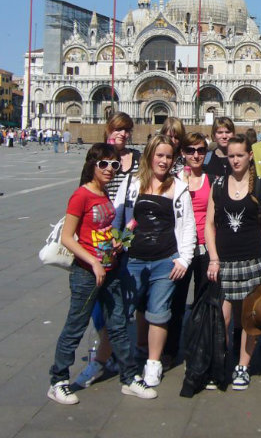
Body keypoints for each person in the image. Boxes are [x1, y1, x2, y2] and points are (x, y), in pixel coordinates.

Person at [48, 143, 157, 405]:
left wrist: (118, 241)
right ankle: (58, 381)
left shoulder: (104, 193)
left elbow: (102, 230)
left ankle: (129, 378)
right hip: (87, 273)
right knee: (75, 326)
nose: (110, 169)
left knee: (118, 324)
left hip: (110, 269)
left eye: (114, 165)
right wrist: (93, 262)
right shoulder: (81, 195)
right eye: (103, 164)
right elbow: (67, 237)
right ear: (92, 165)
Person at [114, 135, 196, 387]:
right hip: (133, 259)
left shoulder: (178, 186)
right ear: (150, 155)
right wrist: (116, 242)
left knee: (159, 313)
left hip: (166, 260)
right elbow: (118, 215)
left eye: (168, 156)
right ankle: (120, 358)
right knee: (125, 311)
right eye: (159, 155)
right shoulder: (131, 182)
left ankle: (153, 363)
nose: (163, 161)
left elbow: (188, 226)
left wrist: (184, 259)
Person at [75, 111, 141, 388]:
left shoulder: (137, 159)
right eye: (118, 129)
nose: (122, 134)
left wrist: (125, 238)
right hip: (98, 237)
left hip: (127, 238)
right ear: (107, 130)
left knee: (123, 301)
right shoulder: (97, 156)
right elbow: (84, 194)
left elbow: (143, 199)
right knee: (97, 303)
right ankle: (106, 350)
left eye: (126, 130)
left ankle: (107, 356)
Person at [205, 135, 261, 390]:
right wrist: (213, 258)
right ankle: (222, 363)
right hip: (223, 262)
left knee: (249, 320)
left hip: (253, 261)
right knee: (221, 320)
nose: (235, 160)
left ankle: (243, 366)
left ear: (249, 156)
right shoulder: (218, 185)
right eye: (232, 155)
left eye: (240, 155)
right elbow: (209, 225)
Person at [165, 132, 212, 363]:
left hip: (204, 249)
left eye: (201, 150)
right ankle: (170, 350)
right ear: (182, 153)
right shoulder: (173, 179)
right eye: (191, 150)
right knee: (176, 301)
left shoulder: (211, 178)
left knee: (203, 301)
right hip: (180, 251)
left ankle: (199, 348)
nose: (196, 154)